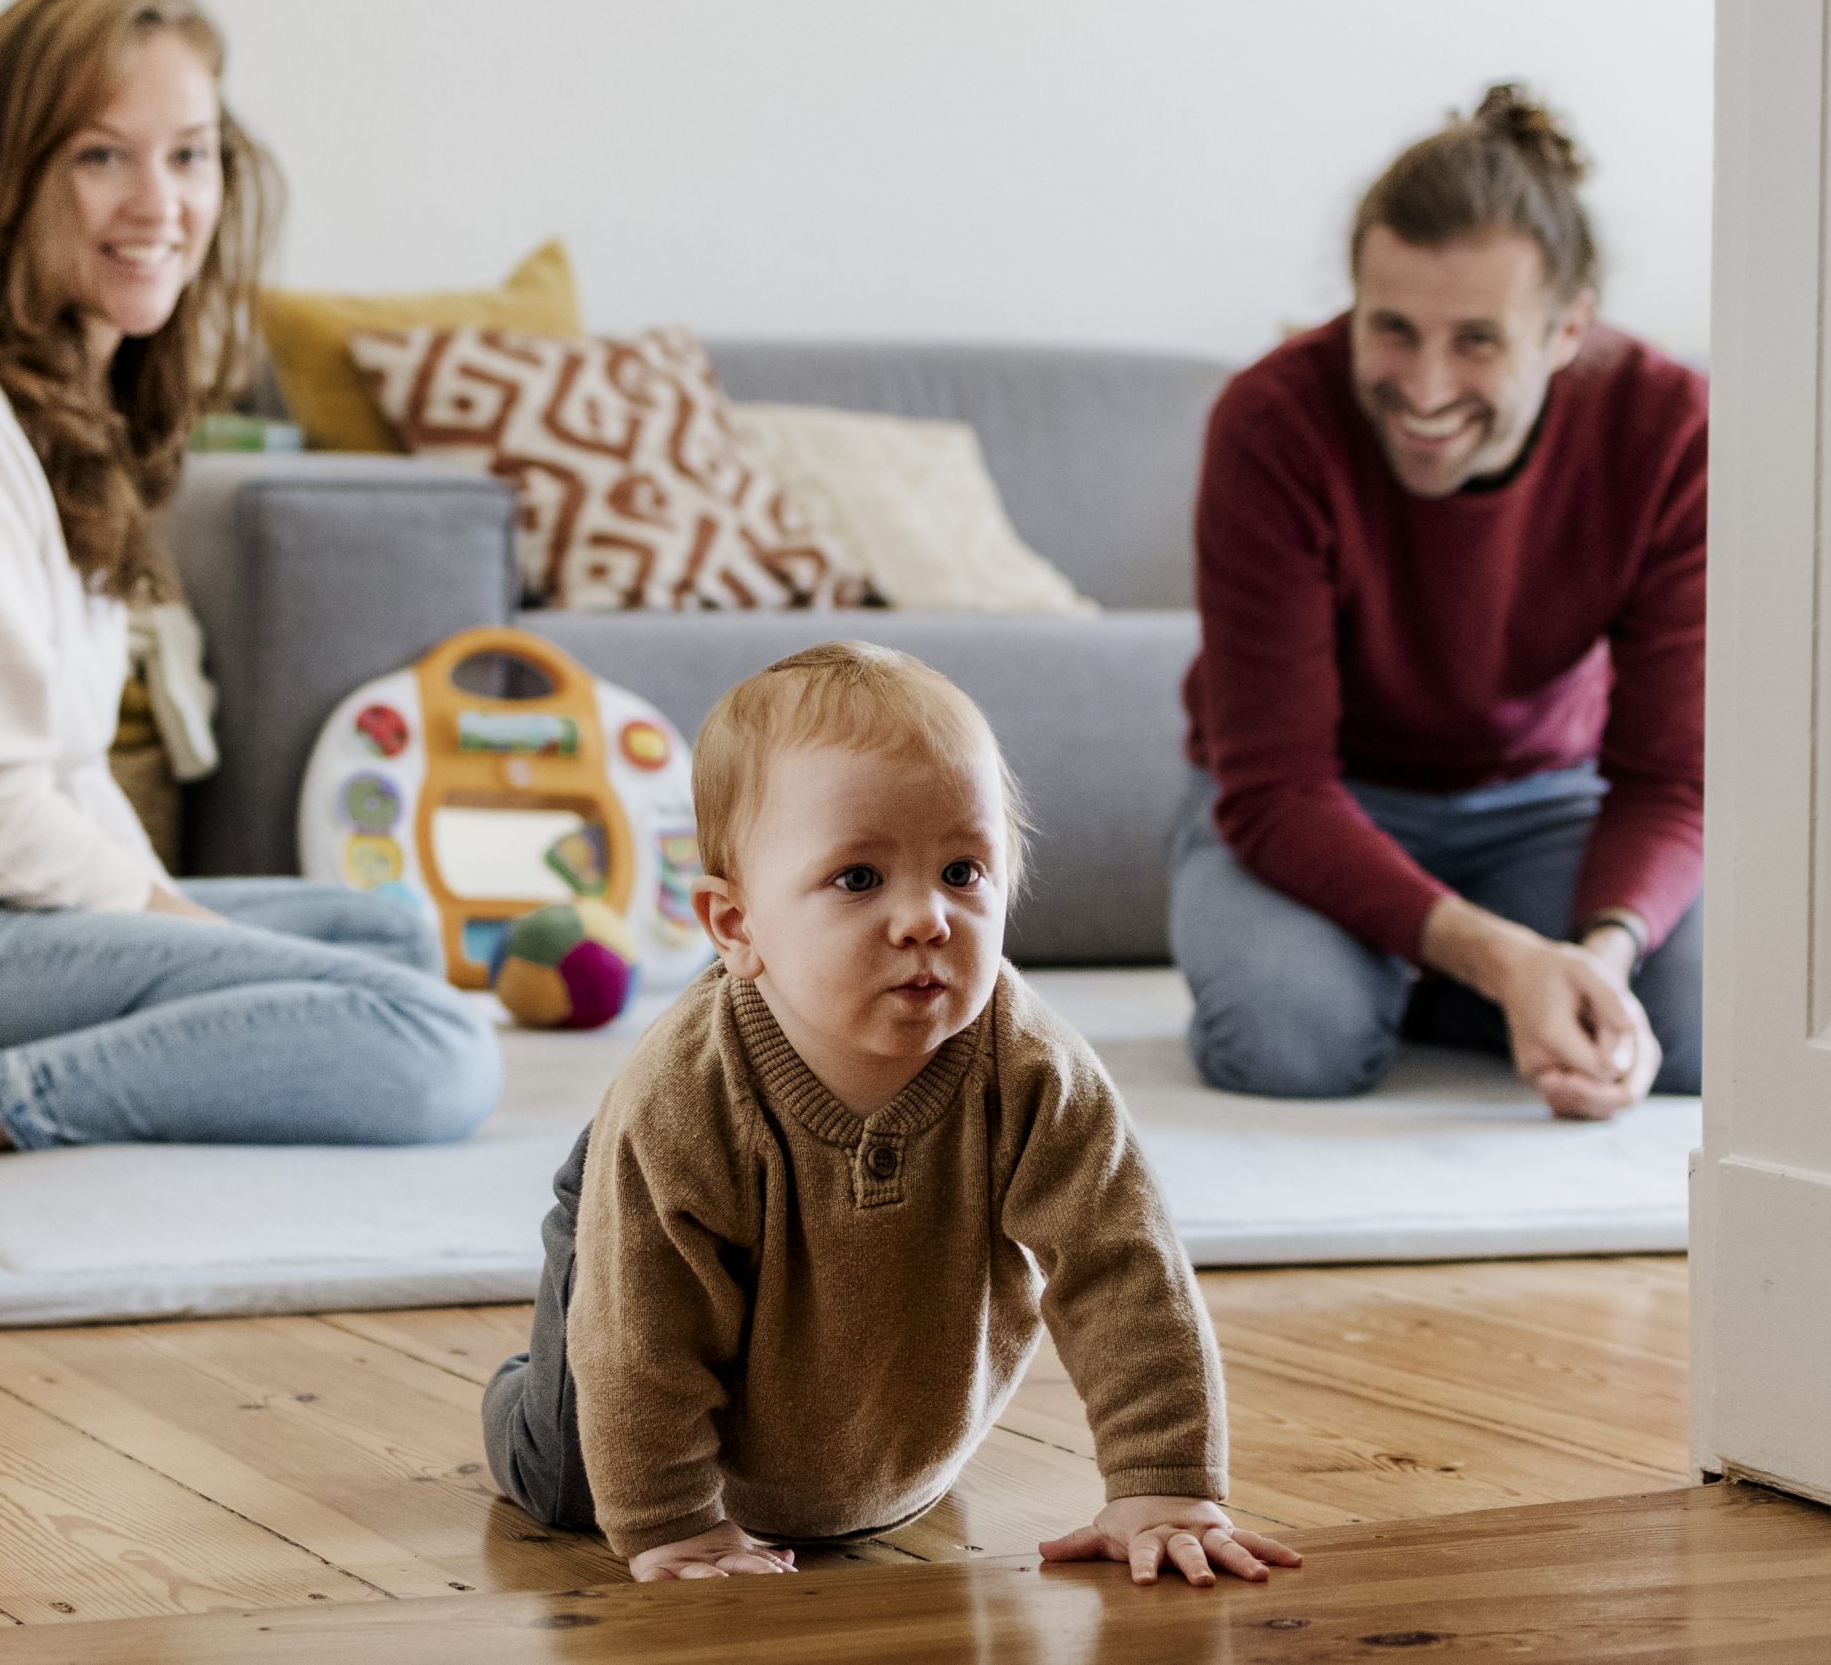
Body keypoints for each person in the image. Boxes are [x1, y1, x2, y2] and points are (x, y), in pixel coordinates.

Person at [0, 0, 499, 1175]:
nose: (160, 203)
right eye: (102, 156)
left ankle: (133, 1038)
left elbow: (66, 773)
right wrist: (203, 947)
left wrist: (206, 953)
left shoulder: (58, 400)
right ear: (10, 173)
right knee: (434, 1043)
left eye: (188, 155)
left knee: (388, 940)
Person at [482, 644, 1301, 1588]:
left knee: (854, 1492)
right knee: (572, 1471)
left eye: (962, 870)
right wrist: (675, 1528)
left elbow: (1124, 1267)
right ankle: (532, 1366)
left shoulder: (1034, 1071)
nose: (926, 919)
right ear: (736, 926)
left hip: (856, 1423)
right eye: (859, 879)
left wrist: (1164, 1484)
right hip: (643, 1289)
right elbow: (641, 1345)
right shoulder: (681, 1101)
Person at [1173, 83, 1706, 1117]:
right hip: (1316, 800)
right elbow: (1275, 785)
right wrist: (1509, 961)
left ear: (1566, 329)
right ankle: (1443, 974)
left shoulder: (1671, 430)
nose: (1422, 388)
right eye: (1392, 329)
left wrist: (1597, 956)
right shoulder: (1270, 422)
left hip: (1541, 802)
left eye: (1476, 341)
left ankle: (1419, 971)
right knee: (1292, 1037)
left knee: (1695, 1027)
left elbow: (1670, 778)